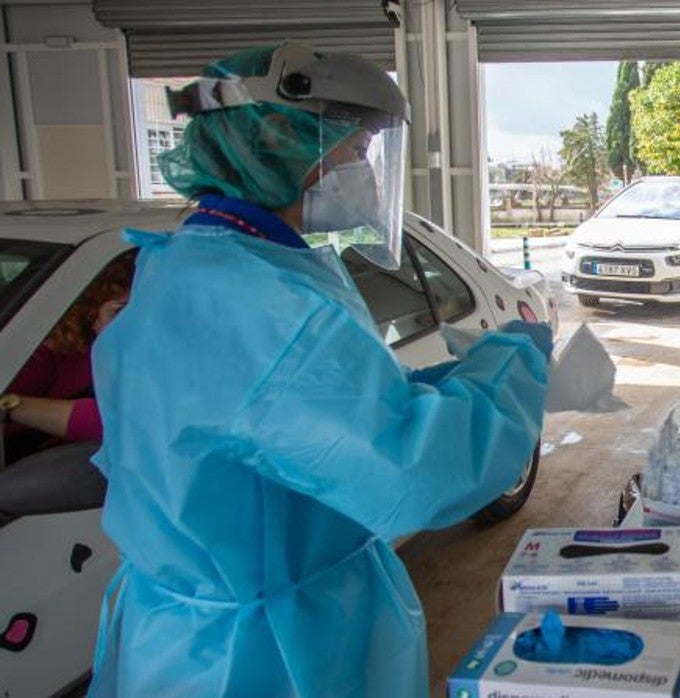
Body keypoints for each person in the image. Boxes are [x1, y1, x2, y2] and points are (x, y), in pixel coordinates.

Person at [86, 42, 551, 697]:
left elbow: (278, 425)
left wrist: (419, 390)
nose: (368, 173)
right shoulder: (265, 305)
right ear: (281, 138)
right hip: (268, 656)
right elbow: (417, 474)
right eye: (358, 150)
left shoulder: (185, 266)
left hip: (178, 641)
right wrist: (515, 361)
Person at [2, 252, 133, 461]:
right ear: (93, 313)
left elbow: (133, 420)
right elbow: (120, 421)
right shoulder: (48, 356)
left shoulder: (161, 357)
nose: (135, 322)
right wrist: (11, 405)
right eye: (120, 311)